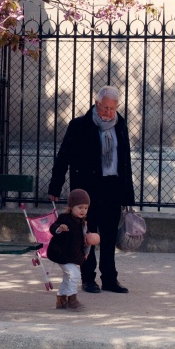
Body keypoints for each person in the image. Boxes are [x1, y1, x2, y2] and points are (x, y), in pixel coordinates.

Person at [48, 85, 135, 294]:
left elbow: (125, 161)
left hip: (112, 186)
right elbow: (64, 157)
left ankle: (110, 279)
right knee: (87, 234)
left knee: (109, 235)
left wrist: (128, 194)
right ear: (96, 104)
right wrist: (55, 185)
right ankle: (88, 278)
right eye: (105, 108)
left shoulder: (119, 126)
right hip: (87, 188)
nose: (108, 113)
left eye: (113, 109)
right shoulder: (79, 125)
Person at [46, 189, 100, 310]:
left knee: (68, 276)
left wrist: (85, 252)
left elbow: (84, 241)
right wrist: (60, 228)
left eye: (86, 208)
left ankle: (61, 299)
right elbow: (53, 227)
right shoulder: (65, 218)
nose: (83, 210)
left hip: (71, 255)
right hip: (60, 253)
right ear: (71, 207)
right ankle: (72, 298)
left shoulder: (82, 223)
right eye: (80, 207)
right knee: (75, 274)